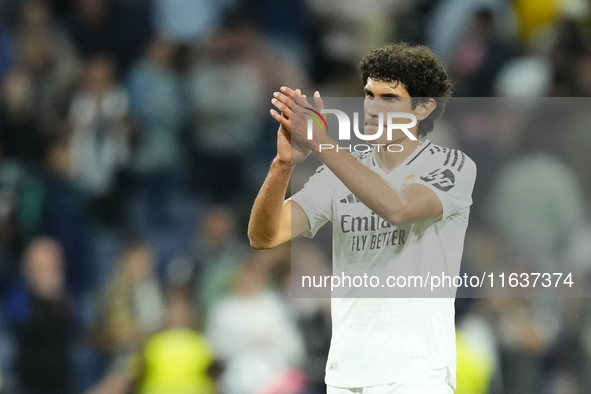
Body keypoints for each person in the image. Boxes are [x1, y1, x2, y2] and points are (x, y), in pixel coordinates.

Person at [248, 42, 477, 393]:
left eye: (389, 98)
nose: (372, 107)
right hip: (346, 374)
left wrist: (321, 142)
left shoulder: (451, 165)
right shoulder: (338, 172)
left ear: (423, 108)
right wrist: (284, 165)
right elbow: (264, 236)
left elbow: (398, 209)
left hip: (417, 373)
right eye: (369, 94)